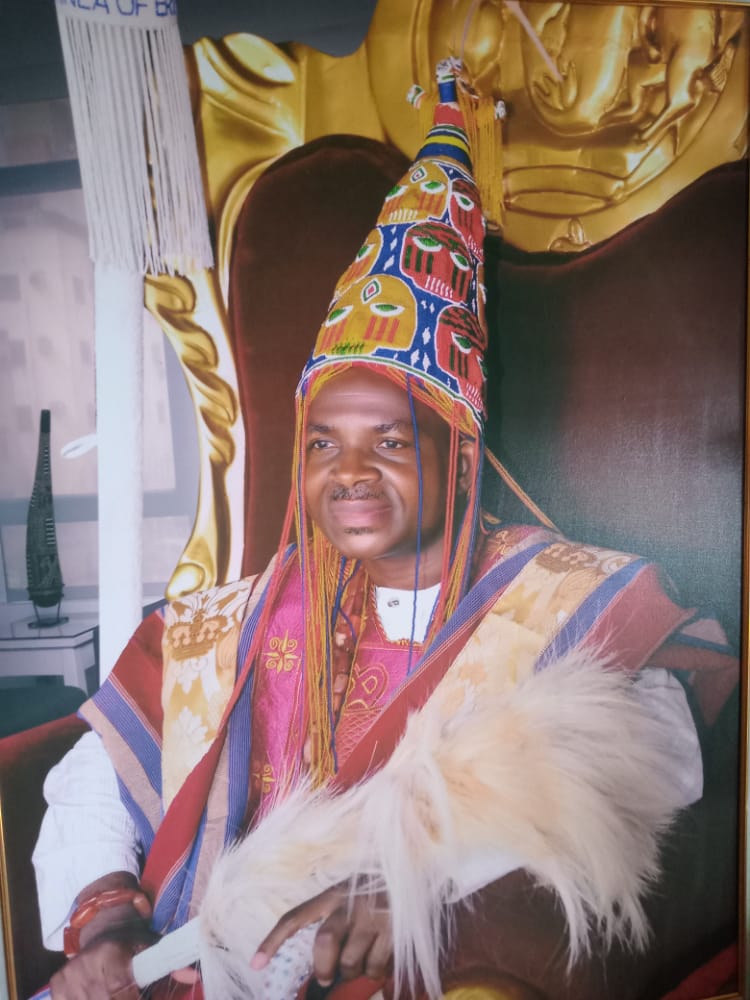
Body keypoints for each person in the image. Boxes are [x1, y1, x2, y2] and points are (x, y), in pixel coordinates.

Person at [31, 63, 734, 1000]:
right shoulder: (233, 625)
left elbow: (649, 759)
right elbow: (93, 777)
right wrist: (108, 920)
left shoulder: (562, 599)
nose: (348, 471)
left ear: (459, 458)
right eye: (322, 442)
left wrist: (425, 874)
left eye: (390, 441)